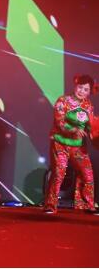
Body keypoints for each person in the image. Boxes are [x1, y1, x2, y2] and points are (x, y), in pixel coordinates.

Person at [43, 74, 99, 215]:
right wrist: (74, 129)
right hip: (60, 142)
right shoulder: (63, 101)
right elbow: (59, 122)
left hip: (78, 145)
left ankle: (87, 205)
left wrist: (94, 133)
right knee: (58, 173)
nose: (82, 91)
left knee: (87, 174)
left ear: (89, 92)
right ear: (75, 86)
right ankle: (50, 205)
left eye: (86, 89)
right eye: (80, 87)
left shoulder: (88, 106)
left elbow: (90, 125)